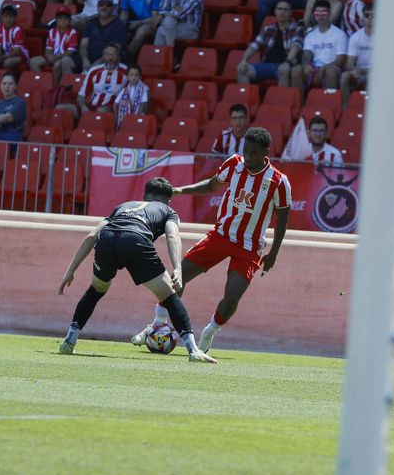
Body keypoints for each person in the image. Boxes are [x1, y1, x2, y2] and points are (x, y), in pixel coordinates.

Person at [128, 127, 291, 356]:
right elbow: (212, 185)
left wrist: (274, 252)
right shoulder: (234, 163)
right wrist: (181, 191)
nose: (248, 157)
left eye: (253, 153)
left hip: (249, 246)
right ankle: (156, 324)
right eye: (245, 150)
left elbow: (283, 218)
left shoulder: (279, 181)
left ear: (265, 151)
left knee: (232, 297)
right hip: (221, 235)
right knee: (178, 276)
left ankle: (210, 331)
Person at [56, 177, 214, 362]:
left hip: (107, 240)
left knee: (96, 290)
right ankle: (194, 351)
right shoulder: (169, 211)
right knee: (170, 297)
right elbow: (172, 236)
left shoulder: (123, 206)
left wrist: (71, 270)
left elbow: (93, 235)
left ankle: (69, 341)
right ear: (169, 200)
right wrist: (177, 269)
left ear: (144, 195)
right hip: (135, 239)